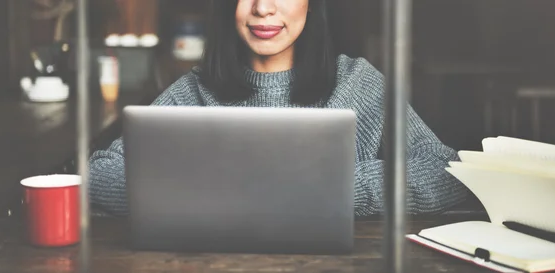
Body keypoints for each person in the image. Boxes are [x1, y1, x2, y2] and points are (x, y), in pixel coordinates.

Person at [88, 0, 468, 217]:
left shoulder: (359, 84)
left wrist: (329, 189)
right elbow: (100, 173)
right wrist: (224, 190)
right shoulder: (193, 91)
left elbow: (446, 169)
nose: (263, 8)